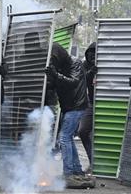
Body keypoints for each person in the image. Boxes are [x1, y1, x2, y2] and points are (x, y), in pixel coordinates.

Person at [45, 43, 95, 189]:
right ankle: (76, 171)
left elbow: (73, 82)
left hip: (76, 106)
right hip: (68, 107)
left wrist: (56, 75)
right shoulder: (60, 66)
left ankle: (68, 174)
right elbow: (55, 85)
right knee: (68, 139)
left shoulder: (76, 63)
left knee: (64, 138)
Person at [77, 42, 97, 167]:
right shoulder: (84, 65)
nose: (92, 57)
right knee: (83, 131)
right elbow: (80, 80)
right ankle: (92, 162)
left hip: (108, 103)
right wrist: (91, 73)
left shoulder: (109, 65)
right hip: (90, 102)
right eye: (90, 54)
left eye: (94, 54)